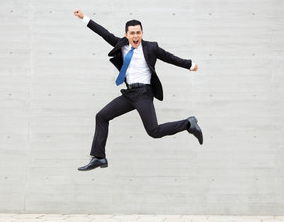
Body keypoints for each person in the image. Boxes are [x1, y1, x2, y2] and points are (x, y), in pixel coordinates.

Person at [74, 9, 203, 171]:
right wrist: (83, 18)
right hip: (129, 94)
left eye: (138, 33)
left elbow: (170, 57)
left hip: (143, 94)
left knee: (154, 131)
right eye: (132, 33)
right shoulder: (120, 44)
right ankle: (99, 157)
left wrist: (190, 65)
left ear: (142, 33)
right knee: (101, 116)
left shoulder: (151, 47)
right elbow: (103, 33)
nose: (135, 36)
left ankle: (188, 124)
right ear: (126, 34)